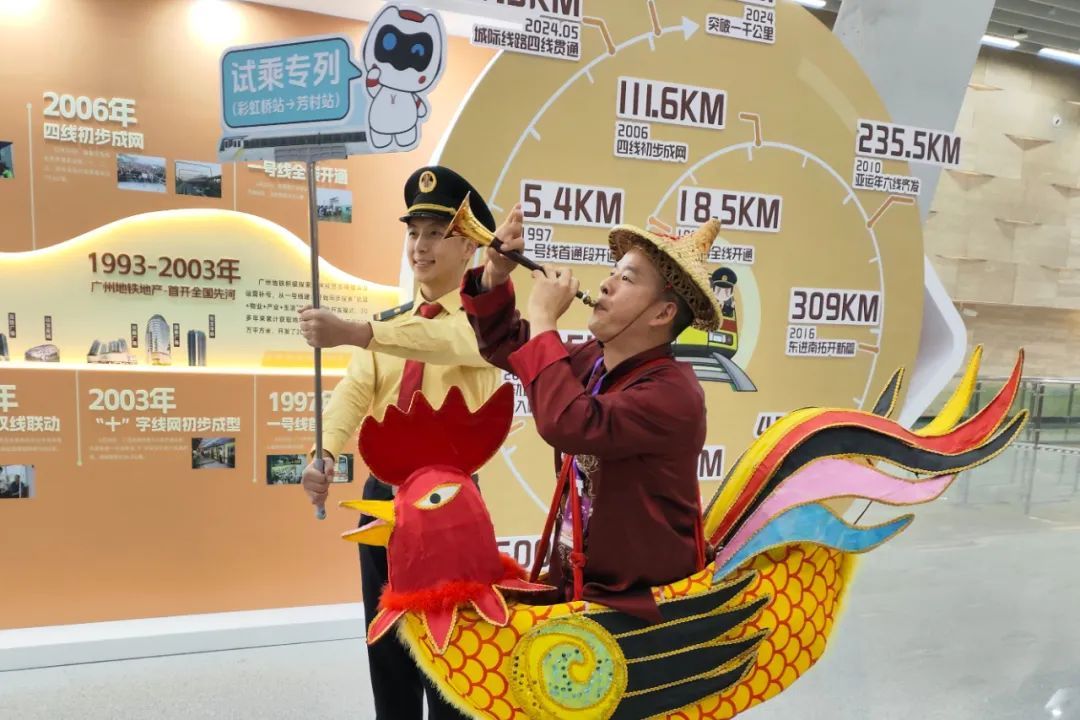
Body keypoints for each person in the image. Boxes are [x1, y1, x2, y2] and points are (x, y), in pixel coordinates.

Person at [299, 166, 501, 720]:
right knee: (386, 641)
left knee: (449, 646)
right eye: (414, 232)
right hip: (383, 501)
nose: (420, 246)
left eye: (436, 233)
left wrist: (358, 332)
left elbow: (441, 341)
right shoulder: (389, 324)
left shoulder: (484, 325)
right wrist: (324, 453)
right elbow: (354, 391)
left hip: (448, 508)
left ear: (470, 246)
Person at [461, 208, 726, 623]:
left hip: (637, 607)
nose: (605, 283)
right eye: (612, 272)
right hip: (580, 589)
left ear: (662, 314)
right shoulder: (595, 361)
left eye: (627, 279)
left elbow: (570, 422)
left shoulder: (674, 394)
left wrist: (545, 318)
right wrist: (495, 274)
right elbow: (507, 344)